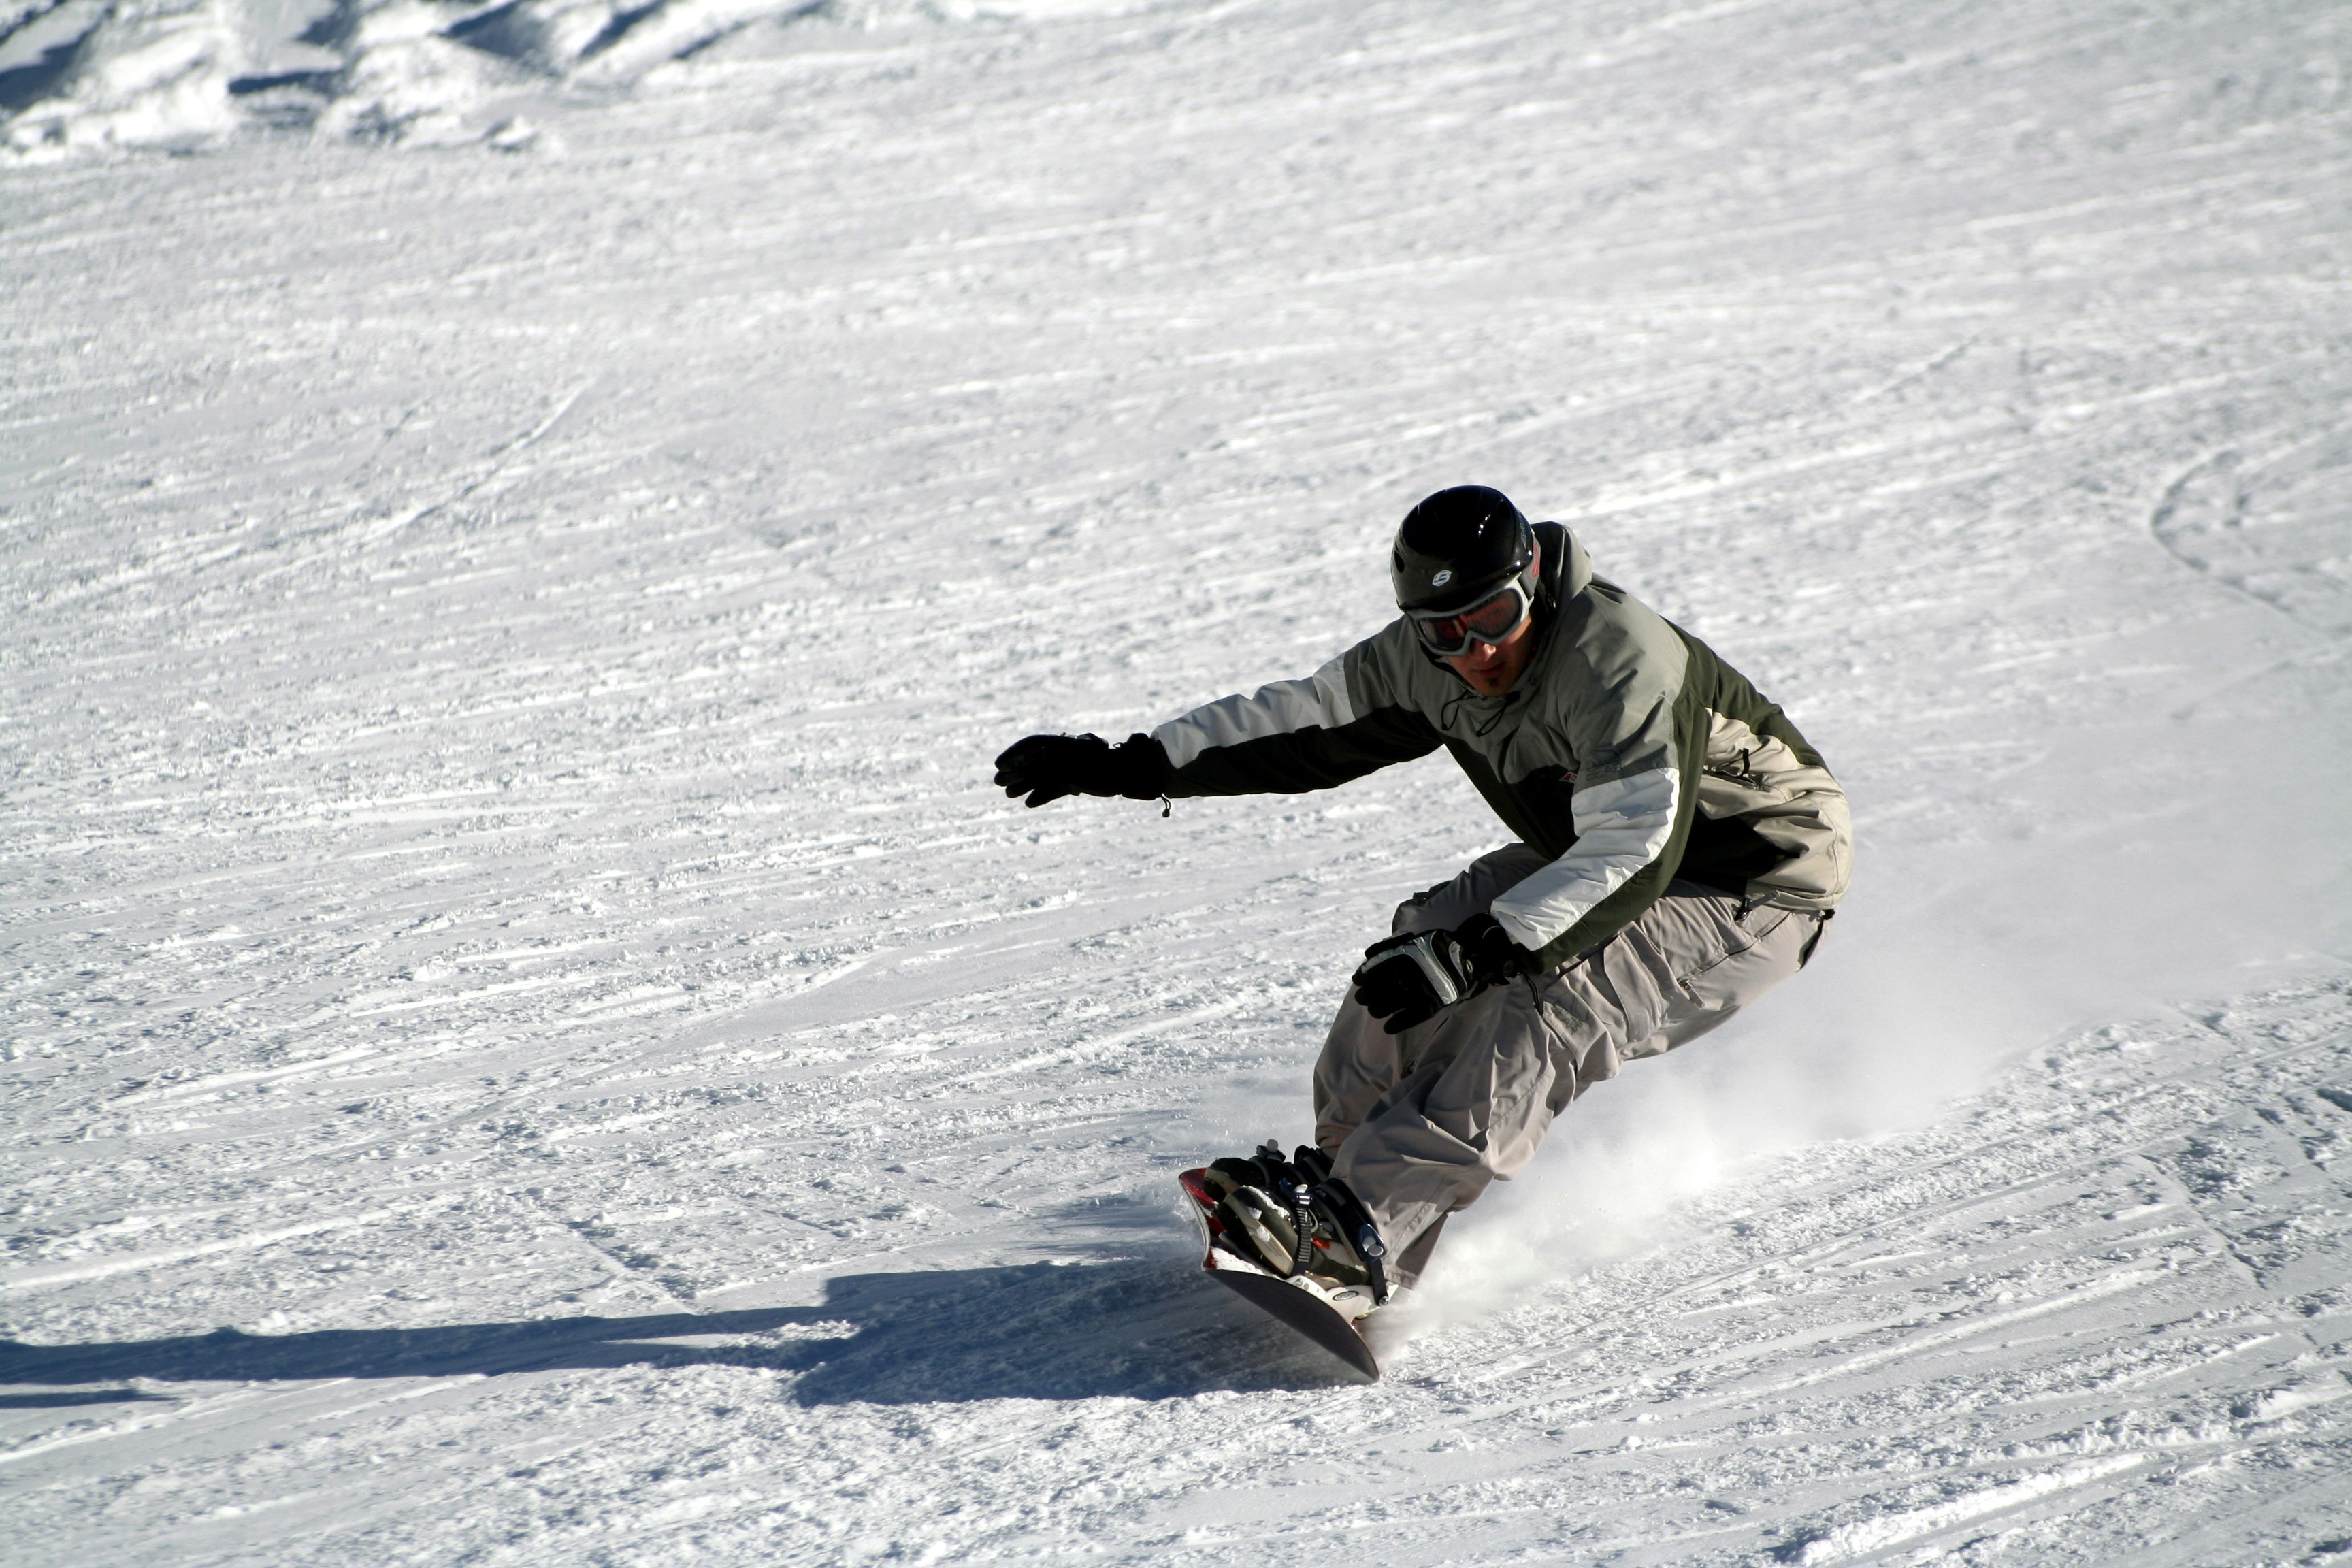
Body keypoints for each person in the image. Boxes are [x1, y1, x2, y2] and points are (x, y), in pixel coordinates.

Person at [993, 485, 1851, 1309]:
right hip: (1596, 851)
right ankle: (1336, 1187)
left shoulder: (1618, 658)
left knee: (1551, 996)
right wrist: (1134, 764)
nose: (1477, 649)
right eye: (1446, 630)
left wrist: (1489, 949)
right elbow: (1308, 720)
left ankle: (1364, 1232)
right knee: (1427, 937)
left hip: (1753, 877)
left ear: (1533, 585)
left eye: (1495, 616)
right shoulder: (1427, 659)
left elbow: (1637, 844)